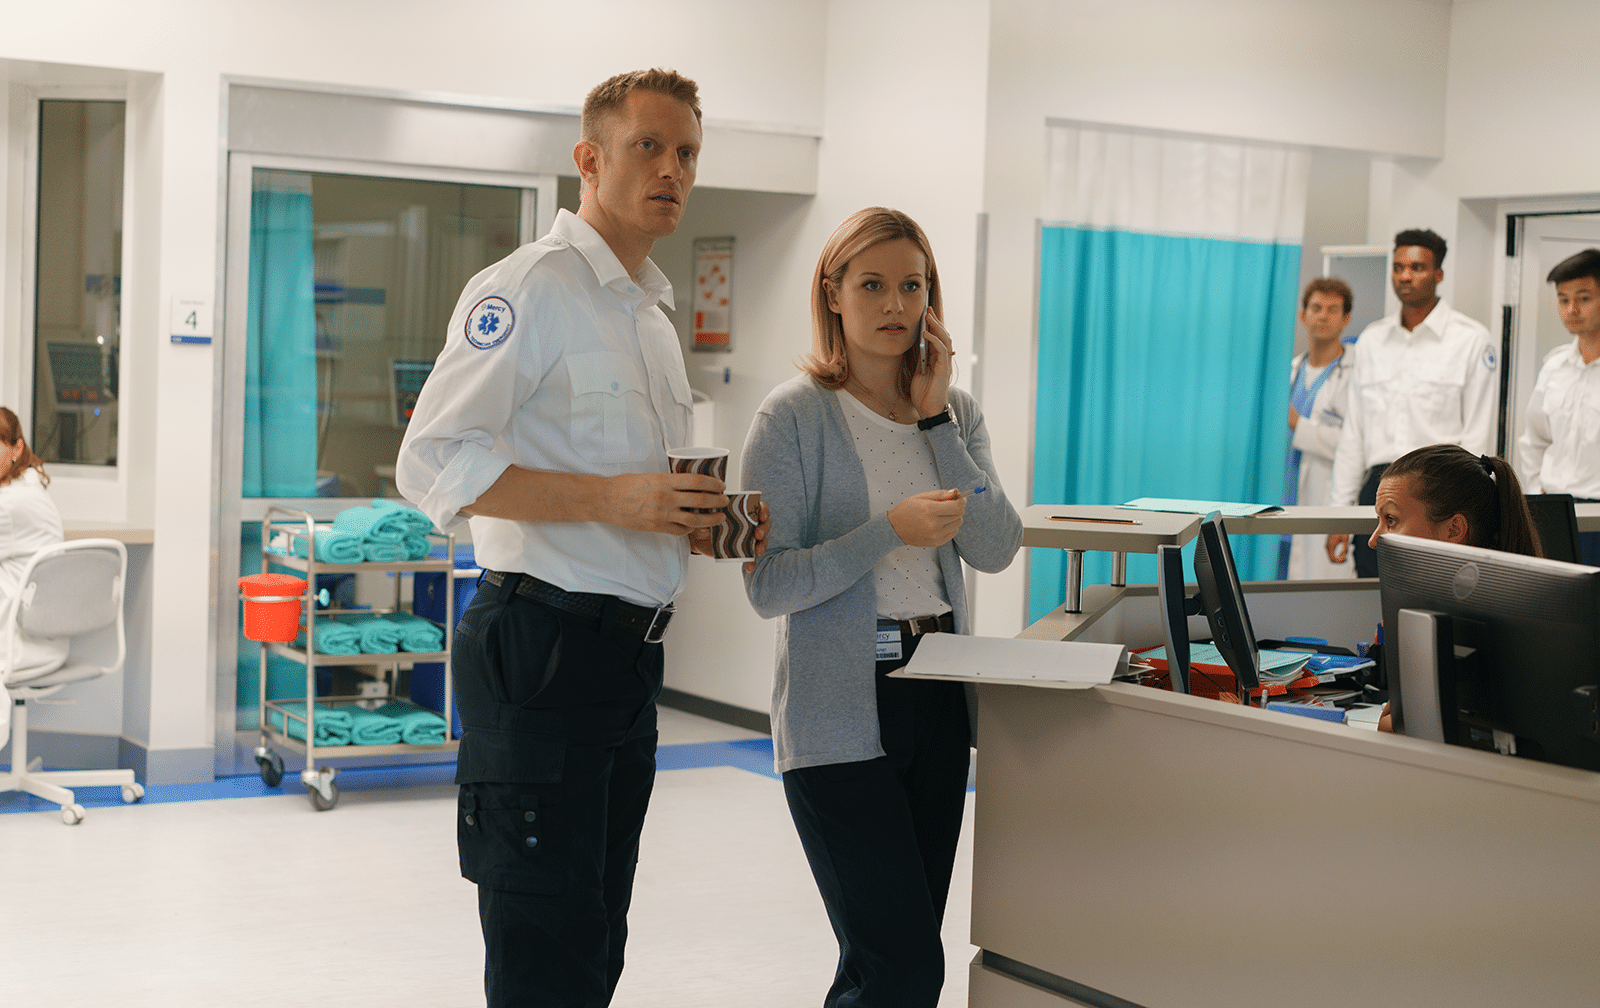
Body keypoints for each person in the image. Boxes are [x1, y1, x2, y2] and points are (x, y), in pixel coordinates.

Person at [396, 69, 763, 1008]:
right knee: (546, 955)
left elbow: (635, 493)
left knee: (596, 943)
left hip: (627, 660)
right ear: (590, 161)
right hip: (541, 646)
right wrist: (619, 502)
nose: (672, 169)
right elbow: (433, 462)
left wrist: (695, 521)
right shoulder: (530, 289)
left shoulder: (647, 314)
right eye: (649, 147)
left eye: (687, 153)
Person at [740, 207, 1023, 1008]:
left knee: (890, 966)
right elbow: (769, 585)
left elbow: (997, 545)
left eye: (913, 285)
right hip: (836, 711)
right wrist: (886, 532)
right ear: (832, 294)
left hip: (939, 698)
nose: (896, 304)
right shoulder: (791, 417)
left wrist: (936, 420)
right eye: (872, 285)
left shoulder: (955, 410)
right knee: (902, 968)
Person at [1327, 229, 1499, 577]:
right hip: (1378, 493)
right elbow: (1354, 434)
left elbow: (1478, 435)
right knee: (1374, 596)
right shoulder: (1372, 340)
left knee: (1434, 595)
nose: (1405, 276)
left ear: (1439, 274)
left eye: (1417, 267)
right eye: (1398, 267)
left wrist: (1463, 508)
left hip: (1438, 496)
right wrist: (1339, 514)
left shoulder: (1470, 340)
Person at [1364, 443, 1541, 732]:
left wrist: (1406, 727)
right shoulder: (1436, 612)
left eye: (1391, 520)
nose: (1374, 540)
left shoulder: (1504, 630)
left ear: (1454, 529)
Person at [1516, 247, 1600, 565]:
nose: (1571, 309)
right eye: (1563, 300)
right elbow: (1535, 439)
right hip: (1555, 512)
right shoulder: (1554, 366)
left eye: (1583, 298)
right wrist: (1536, 491)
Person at [0, 407, 69, 745]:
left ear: (17, 447)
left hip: (21, 641)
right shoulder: (27, 488)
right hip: (42, 633)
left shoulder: (10, 504)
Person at [1282, 277, 1355, 580]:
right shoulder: (1289, 371)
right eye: (1316, 308)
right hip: (1282, 498)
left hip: (1321, 500)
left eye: (1332, 309)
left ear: (1346, 319)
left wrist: (1297, 423)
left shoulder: (1354, 375)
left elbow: (1352, 444)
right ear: (1303, 316)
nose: (1323, 316)